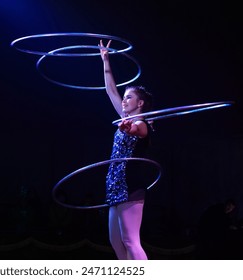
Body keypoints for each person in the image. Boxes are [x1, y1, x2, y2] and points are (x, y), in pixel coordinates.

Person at [99, 40, 154, 260]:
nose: (124, 99)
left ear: (140, 104)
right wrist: (105, 61)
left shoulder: (143, 124)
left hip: (130, 185)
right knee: (115, 241)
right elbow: (110, 90)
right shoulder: (124, 117)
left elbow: (136, 131)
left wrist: (128, 128)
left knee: (131, 240)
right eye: (125, 96)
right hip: (114, 184)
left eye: (129, 97)